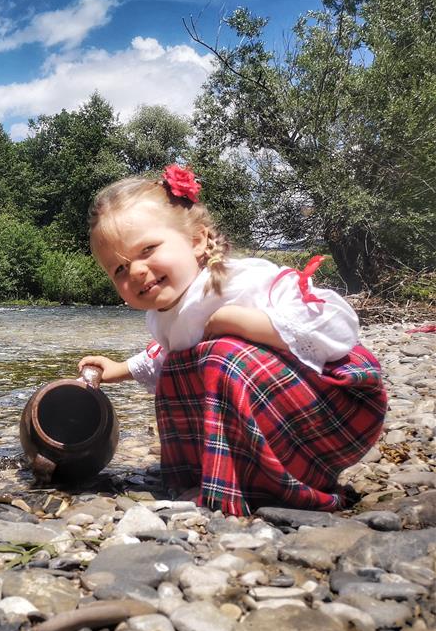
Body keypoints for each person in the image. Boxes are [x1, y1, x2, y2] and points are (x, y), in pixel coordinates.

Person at [79, 165, 387, 516]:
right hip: (280, 418)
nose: (135, 271)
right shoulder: (164, 315)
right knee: (183, 367)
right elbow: (168, 354)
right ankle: (239, 479)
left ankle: (265, 485)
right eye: (119, 269)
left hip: (332, 408)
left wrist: (253, 324)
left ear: (196, 241)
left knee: (218, 357)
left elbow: (337, 321)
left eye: (147, 249)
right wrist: (118, 370)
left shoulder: (236, 280)